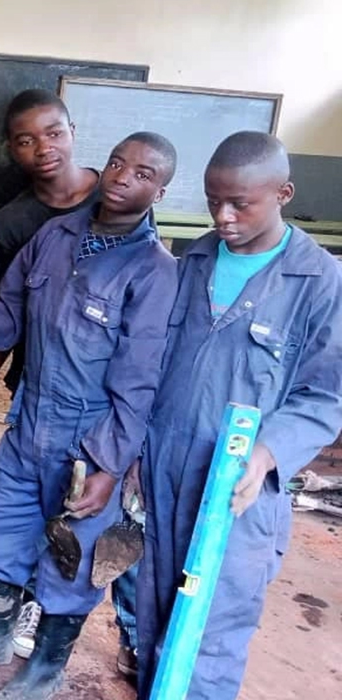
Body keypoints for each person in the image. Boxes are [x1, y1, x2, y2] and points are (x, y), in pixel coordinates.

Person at [0, 133, 179, 699]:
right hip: (30, 418)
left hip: (90, 437)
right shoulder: (55, 236)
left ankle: (46, 666)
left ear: (160, 193)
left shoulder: (154, 272)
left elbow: (140, 384)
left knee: (78, 557)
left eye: (143, 174)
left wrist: (109, 466)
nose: (122, 177)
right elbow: (11, 311)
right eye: (117, 163)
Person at [135, 132, 342, 700]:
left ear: (283, 194)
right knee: (155, 607)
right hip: (164, 463)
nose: (223, 217)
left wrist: (268, 452)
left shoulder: (319, 281)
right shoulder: (195, 260)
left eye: (239, 204)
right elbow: (155, 360)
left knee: (211, 627)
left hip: (238, 482)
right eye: (213, 201)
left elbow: (324, 396)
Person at [0, 90, 139, 672]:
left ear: (73, 130)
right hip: (36, 391)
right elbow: (9, 310)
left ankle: (109, 641)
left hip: (97, 411)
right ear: (12, 149)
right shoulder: (31, 229)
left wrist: (118, 451)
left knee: (99, 533)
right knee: (17, 515)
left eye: (53, 132)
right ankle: (8, 619)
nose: (43, 148)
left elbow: (141, 366)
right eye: (26, 140)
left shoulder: (135, 231)